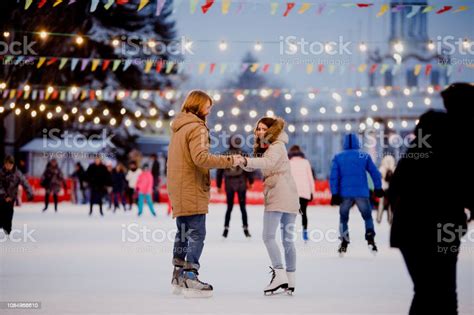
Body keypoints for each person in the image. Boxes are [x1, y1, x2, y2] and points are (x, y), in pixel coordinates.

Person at [389, 83, 474, 315]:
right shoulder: (458, 141)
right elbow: (463, 182)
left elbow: (396, 186)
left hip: (411, 230)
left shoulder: (418, 149)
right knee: (442, 292)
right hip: (440, 226)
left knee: (427, 291)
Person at [167, 90, 243, 298]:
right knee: (197, 233)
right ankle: (190, 275)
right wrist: (230, 160)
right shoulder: (197, 128)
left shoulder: (178, 128)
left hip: (179, 187)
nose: (210, 110)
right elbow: (201, 158)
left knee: (183, 232)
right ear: (198, 105)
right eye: (207, 106)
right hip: (191, 186)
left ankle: (178, 274)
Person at [239, 117, 300, 295]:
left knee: (268, 236)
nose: (259, 131)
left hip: (279, 194)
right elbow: (257, 164)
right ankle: (291, 280)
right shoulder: (269, 146)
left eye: (263, 128)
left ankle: (280, 274)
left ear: (271, 129)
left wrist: (246, 161)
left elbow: (267, 163)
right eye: (257, 128)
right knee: (287, 239)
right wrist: (241, 162)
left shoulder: (276, 145)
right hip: (289, 194)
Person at [329, 133, 383, 255]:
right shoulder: (363, 156)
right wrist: (378, 188)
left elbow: (334, 177)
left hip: (344, 193)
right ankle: (370, 237)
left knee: (343, 218)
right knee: (367, 216)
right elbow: (375, 173)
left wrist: (334, 193)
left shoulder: (338, 157)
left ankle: (344, 241)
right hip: (361, 192)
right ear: (357, 142)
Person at [216, 135, 254, 238]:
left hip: (229, 184)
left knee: (229, 207)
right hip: (241, 183)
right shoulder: (244, 154)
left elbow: (219, 171)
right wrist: (251, 182)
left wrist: (218, 185)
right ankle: (246, 229)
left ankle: (225, 230)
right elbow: (249, 169)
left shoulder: (225, 154)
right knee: (243, 207)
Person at [288, 145, 316, 242]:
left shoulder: (288, 163)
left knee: (291, 214)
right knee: (304, 213)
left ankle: (289, 233)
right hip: (304, 192)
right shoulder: (305, 162)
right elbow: (310, 178)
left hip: (292, 193)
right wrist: (312, 192)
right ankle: (305, 232)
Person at [0, 155, 34, 235]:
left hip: (11, 197)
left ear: (13, 164)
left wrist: (30, 193)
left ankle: (7, 230)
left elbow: (25, 183)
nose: (8, 166)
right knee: (1, 211)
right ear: (4, 164)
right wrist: (5, 196)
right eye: (7, 164)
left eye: (10, 164)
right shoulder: (1, 173)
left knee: (9, 213)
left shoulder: (17, 173)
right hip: (1, 197)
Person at [376, 154, 396, 224]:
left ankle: (378, 218)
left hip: (383, 188)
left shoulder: (381, 168)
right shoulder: (394, 168)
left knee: (381, 203)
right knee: (390, 204)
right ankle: (390, 218)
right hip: (391, 189)